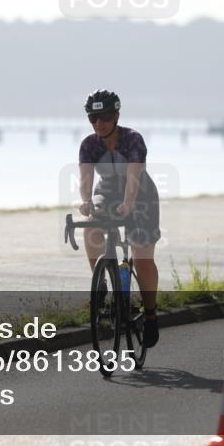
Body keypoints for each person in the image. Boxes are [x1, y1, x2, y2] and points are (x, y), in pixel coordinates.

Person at [77, 90, 161, 347]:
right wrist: (87, 202)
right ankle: (101, 283)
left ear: (116, 116)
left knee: (142, 256)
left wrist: (128, 204)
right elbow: (86, 181)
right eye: (93, 118)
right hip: (108, 192)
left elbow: (134, 179)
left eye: (104, 117)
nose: (99, 124)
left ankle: (150, 315)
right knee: (91, 227)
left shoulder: (132, 139)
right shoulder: (89, 145)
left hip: (141, 194)